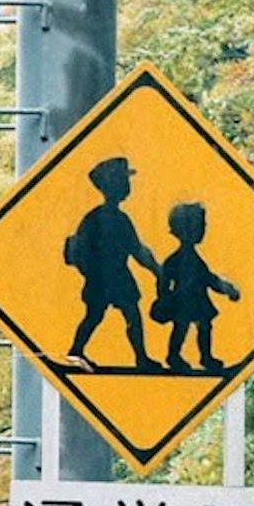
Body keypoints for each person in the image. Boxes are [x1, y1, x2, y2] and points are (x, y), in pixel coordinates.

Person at [62, 155, 158, 368]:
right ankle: (76, 352)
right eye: (124, 180)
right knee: (109, 315)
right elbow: (138, 250)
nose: (127, 185)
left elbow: (137, 249)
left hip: (109, 276)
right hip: (108, 276)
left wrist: (156, 270)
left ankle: (140, 356)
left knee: (121, 314)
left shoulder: (102, 217)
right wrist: (157, 270)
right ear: (114, 185)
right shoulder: (108, 218)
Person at [151, 198, 240, 372]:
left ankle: (205, 357)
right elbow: (164, 279)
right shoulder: (177, 259)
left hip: (196, 299)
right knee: (182, 327)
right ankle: (174, 355)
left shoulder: (191, 258)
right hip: (183, 300)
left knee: (203, 326)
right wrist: (164, 297)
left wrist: (227, 289)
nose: (203, 230)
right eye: (200, 225)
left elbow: (209, 278)